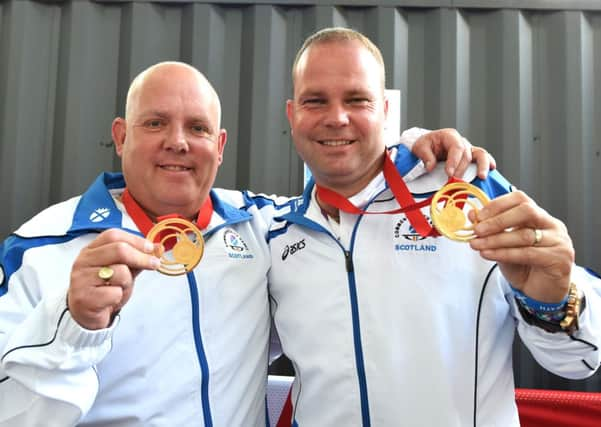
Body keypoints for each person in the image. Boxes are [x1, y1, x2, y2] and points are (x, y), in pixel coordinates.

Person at [0, 61, 491, 426]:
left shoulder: (264, 225)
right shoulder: (39, 246)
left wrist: (415, 149)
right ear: (121, 136)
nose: (178, 142)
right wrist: (72, 324)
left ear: (220, 146)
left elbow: (346, 190)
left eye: (197, 128)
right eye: (155, 124)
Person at [267, 27, 601, 426]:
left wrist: (555, 302)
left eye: (357, 100)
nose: (337, 118)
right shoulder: (273, 234)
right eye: (315, 101)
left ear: (386, 111)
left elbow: (580, 359)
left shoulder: (466, 190)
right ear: (292, 114)